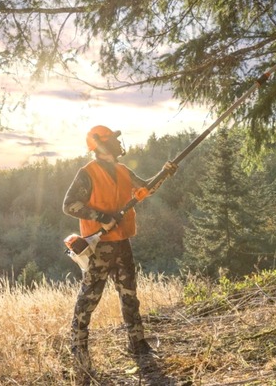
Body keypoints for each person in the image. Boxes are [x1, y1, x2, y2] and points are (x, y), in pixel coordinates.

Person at [62, 125, 176, 376]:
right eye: (112, 139)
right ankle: (78, 348)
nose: (116, 143)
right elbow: (69, 205)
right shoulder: (87, 173)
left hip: (122, 242)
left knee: (129, 296)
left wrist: (164, 174)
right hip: (98, 246)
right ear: (99, 144)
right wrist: (100, 216)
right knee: (89, 298)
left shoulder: (122, 170)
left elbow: (144, 189)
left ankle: (138, 343)